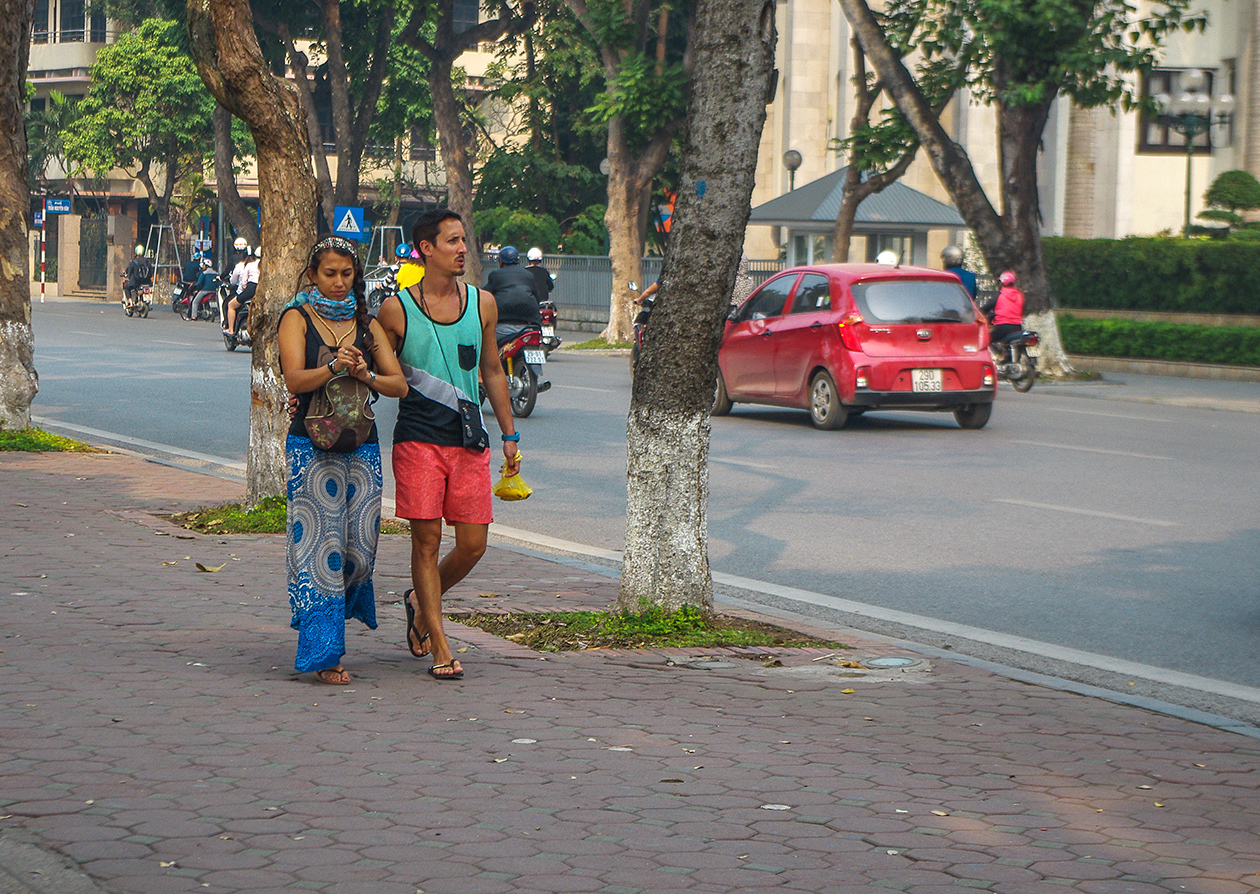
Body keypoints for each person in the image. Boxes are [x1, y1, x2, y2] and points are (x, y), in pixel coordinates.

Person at [375, 208, 521, 681]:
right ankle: (439, 641)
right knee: (427, 541)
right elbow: (382, 374)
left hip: (469, 441)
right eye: (453, 241)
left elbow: (493, 370)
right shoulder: (397, 309)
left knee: (473, 545)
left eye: (465, 241)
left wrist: (510, 434)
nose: (463, 250)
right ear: (426, 249)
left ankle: (420, 600)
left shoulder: (483, 303)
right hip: (418, 441)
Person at [278, 236, 408, 685]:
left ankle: (333, 617)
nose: (338, 282)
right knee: (320, 551)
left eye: (346, 274)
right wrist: (334, 366)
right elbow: (294, 377)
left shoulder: (366, 323)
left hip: (361, 446)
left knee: (359, 551)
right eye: (329, 273)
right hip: (309, 448)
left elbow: (397, 386)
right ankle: (323, 650)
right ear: (312, 274)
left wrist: (363, 373)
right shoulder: (296, 317)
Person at [484, 245, 542, 345]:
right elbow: (537, 298)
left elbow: (485, 295)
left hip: (502, 320)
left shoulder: (496, 275)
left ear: (501, 261)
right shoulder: (528, 275)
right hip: (529, 321)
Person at [224, 241, 260, 337]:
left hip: (250, 290)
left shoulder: (248, 265)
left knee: (231, 305)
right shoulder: (266, 265)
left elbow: (243, 283)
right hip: (262, 290)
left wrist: (243, 291)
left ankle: (231, 330)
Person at [989, 270, 1025, 361]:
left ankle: (996, 358)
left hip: (1002, 327)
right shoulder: (1019, 296)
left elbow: (986, 308)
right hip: (1017, 327)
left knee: (986, 339)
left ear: (1001, 283)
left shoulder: (999, 295)